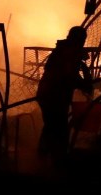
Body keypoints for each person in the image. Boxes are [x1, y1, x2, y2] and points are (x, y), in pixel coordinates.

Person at [35, 25, 93, 168]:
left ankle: (42, 158)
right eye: (82, 40)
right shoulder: (68, 52)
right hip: (53, 96)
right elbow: (68, 76)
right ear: (79, 40)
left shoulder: (65, 50)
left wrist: (80, 64)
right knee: (59, 129)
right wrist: (83, 82)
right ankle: (57, 162)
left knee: (51, 126)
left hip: (49, 95)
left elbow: (68, 73)